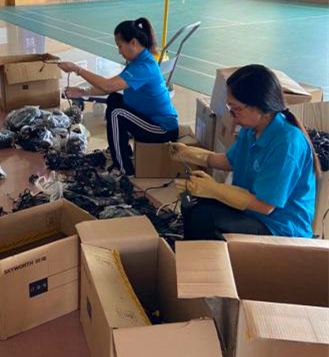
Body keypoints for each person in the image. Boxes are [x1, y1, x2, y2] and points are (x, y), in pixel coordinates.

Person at [171, 64, 319, 240]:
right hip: (253, 212)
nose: (233, 118)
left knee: (205, 218)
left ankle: (208, 256)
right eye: (230, 108)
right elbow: (229, 161)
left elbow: (265, 206)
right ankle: (192, 251)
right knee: (190, 200)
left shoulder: (286, 144)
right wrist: (187, 153)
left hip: (279, 227)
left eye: (237, 109)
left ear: (261, 106)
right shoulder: (252, 129)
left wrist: (214, 189)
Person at [58, 17, 179, 177]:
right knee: (114, 99)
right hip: (150, 120)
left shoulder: (144, 67)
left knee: (117, 113)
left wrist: (77, 69)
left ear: (133, 42)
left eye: (120, 46)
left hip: (162, 129)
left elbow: (108, 85)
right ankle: (123, 152)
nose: (119, 51)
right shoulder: (137, 62)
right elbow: (111, 88)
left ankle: (123, 168)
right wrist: (83, 92)